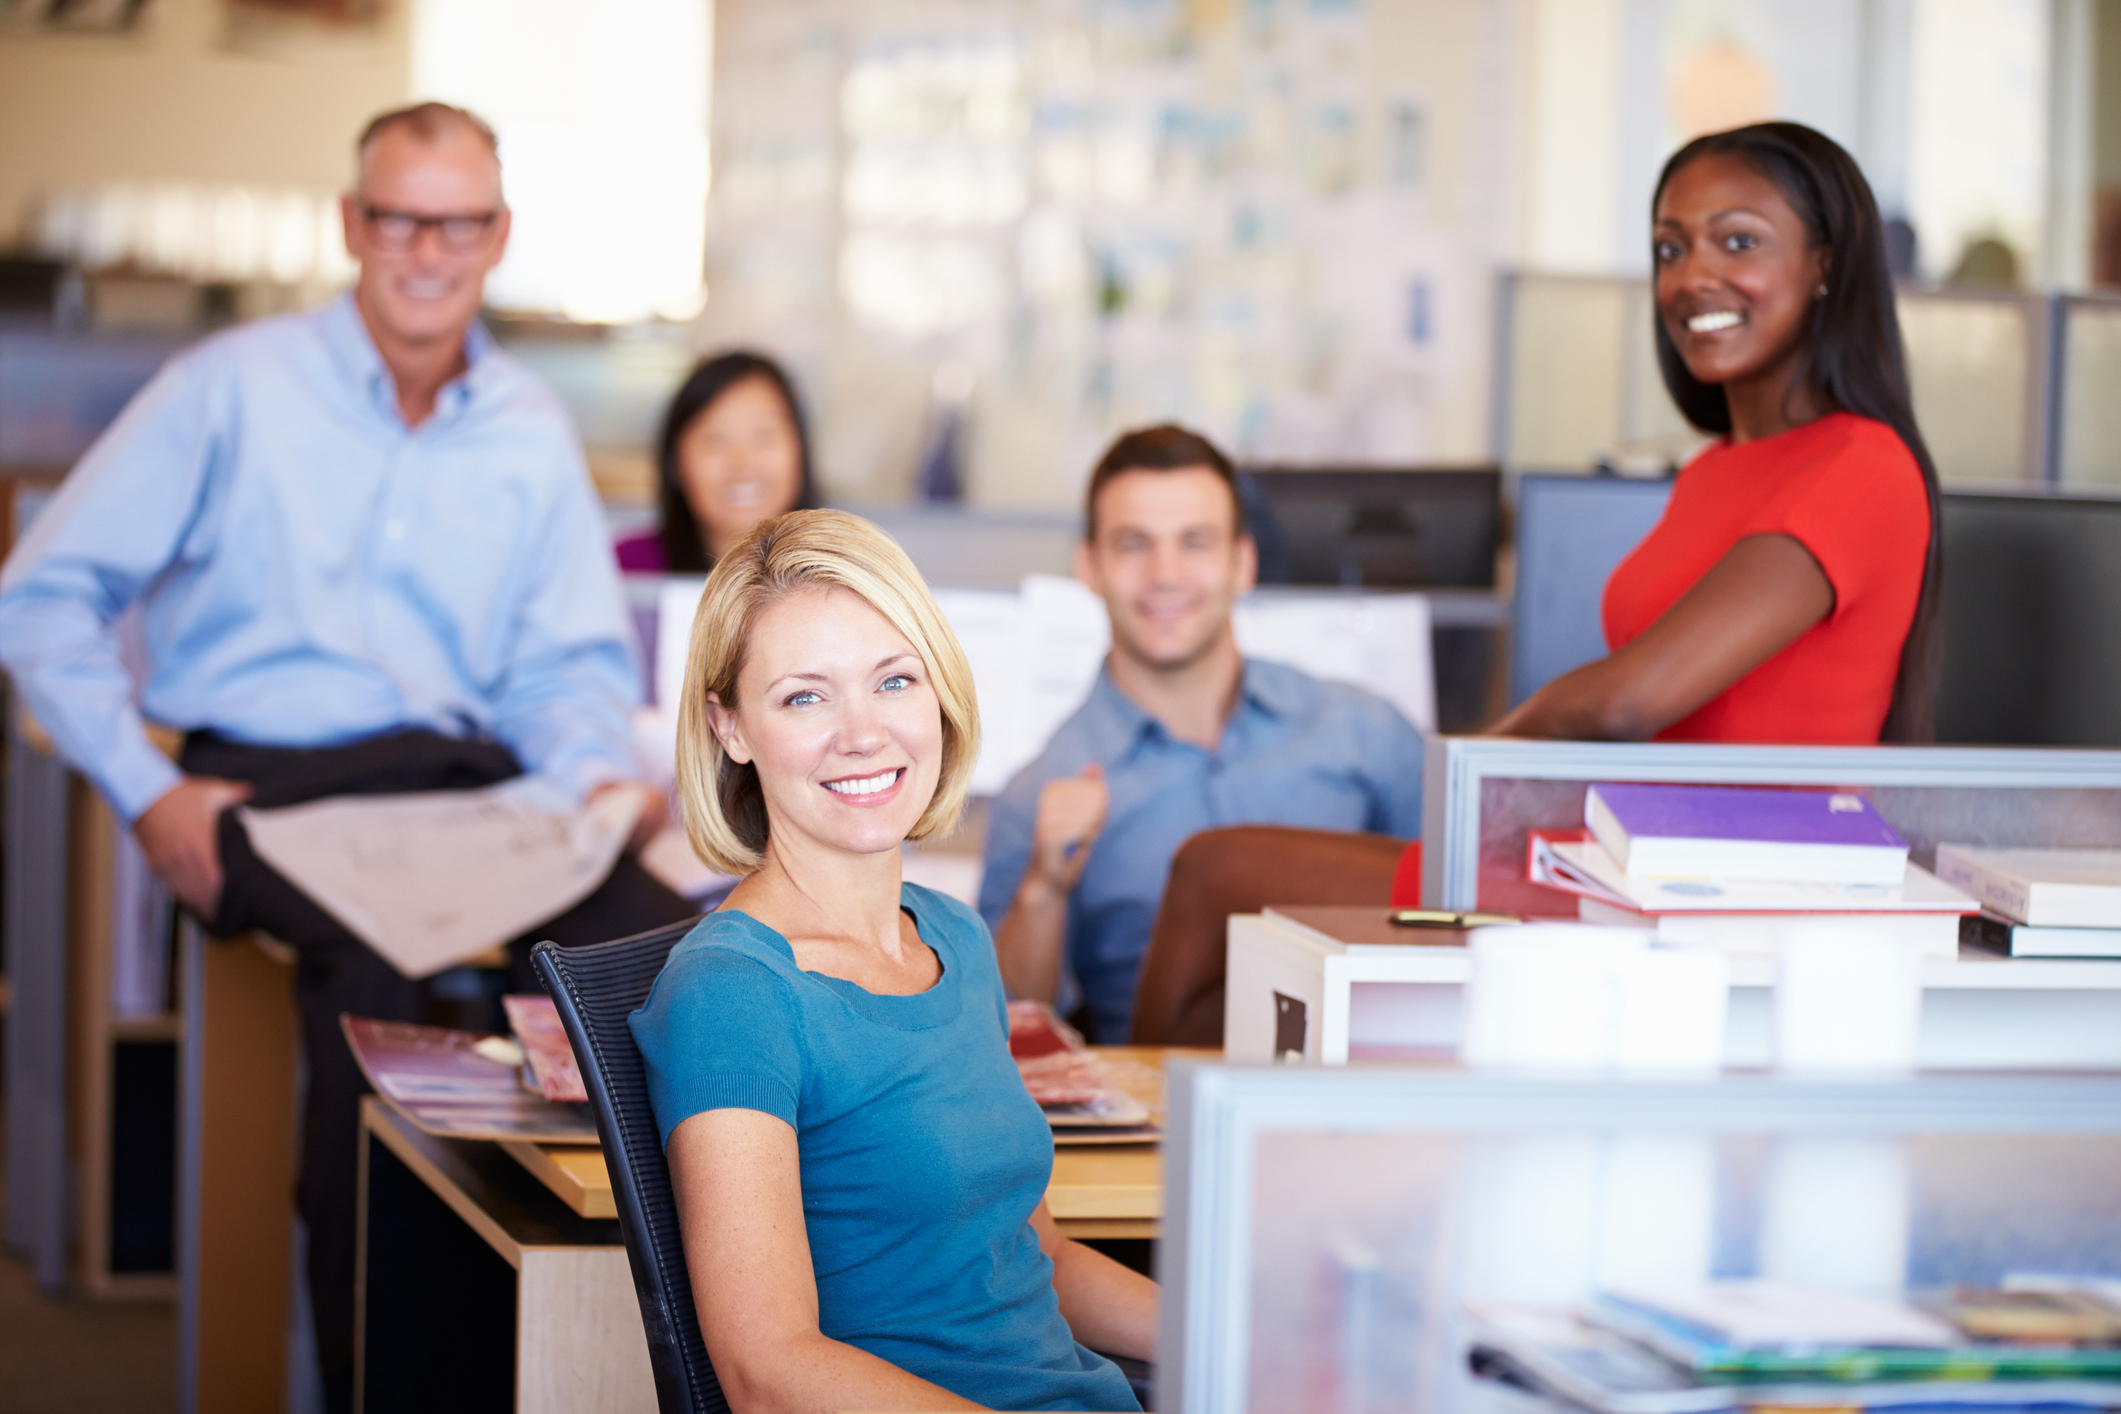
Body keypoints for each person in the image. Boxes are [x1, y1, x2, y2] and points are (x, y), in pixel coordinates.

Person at [0, 102, 695, 1411]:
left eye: (460, 221)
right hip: (269, 782)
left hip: (467, 782)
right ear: (349, 225)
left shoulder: (529, 429)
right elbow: (39, 599)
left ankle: (629, 1354)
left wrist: (594, 777)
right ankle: (377, 1375)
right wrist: (150, 796)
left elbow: (562, 675)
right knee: (389, 1003)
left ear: (499, 236)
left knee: (670, 962)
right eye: (399, 218)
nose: (428, 250)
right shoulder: (230, 388)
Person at [631, 508, 1153, 1412]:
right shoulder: (732, 993)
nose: (863, 732)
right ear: (731, 728)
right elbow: (767, 1370)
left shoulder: (954, 937)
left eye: (894, 681)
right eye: (805, 696)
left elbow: (1037, 1259)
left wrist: (1260, 1353)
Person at [1492, 121, 1941, 745]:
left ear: (1825, 264)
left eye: (1737, 241)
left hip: (1745, 843)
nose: (1692, 277)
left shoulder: (1864, 467)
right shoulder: (1711, 469)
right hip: (1637, 831)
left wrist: (1475, 762)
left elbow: (1625, 704)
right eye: (1671, 250)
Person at [977, 426, 1427, 1043]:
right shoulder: (1041, 791)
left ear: (1243, 564)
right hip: (1159, 1120)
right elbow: (1001, 1027)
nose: (1166, 574)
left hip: (1368, 1089)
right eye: (1134, 545)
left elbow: (1472, 914)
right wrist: (1043, 889)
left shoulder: (1365, 733)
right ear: (1090, 567)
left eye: (1195, 543)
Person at [614, 350, 818, 573]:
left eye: (764, 437)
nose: (743, 464)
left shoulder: (843, 571)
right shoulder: (625, 569)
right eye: (715, 442)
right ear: (674, 462)